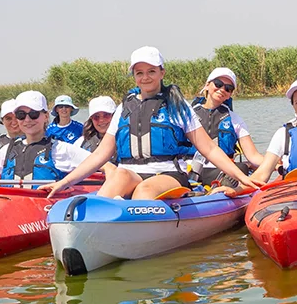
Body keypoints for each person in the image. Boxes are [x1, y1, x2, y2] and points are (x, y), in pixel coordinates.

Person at [41, 47, 257, 200]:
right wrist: (64, 183)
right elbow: (100, 155)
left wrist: (240, 177)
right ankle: (96, 227)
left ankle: (136, 231)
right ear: (134, 76)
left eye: (151, 71)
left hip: (168, 175)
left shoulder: (177, 105)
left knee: (144, 190)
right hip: (131, 173)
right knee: (120, 175)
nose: (145, 78)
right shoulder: (123, 108)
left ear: (162, 72)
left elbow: (209, 148)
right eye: (139, 73)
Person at [0, 91, 92, 185]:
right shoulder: (7, 151)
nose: (27, 120)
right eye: (21, 115)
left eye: (34, 114)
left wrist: (65, 182)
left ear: (45, 116)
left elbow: (106, 167)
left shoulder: (60, 149)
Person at [190, 68, 265, 188]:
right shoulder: (187, 114)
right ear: (207, 85)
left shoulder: (235, 120)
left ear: (230, 94)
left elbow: (253, 156)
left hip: (221, 171)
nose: (222, 90)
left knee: (241, 167)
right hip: (190, 170)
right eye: (218, 84)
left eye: (228, 88)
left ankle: (220, 192)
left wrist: (275, 164)